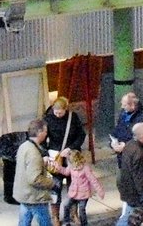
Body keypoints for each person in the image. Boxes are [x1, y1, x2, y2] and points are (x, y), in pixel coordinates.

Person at [44, 96, 86, 225]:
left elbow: (81, 135)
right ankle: (55, 216)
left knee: (74, 186)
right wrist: (46, 154)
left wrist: (70, 148)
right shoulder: (47, 119)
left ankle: (73, 214)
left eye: (60, 113)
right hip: (56, 157)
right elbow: (43, 139)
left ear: (65, 109)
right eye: (56, 112)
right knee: (55, 187)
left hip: (71, 156)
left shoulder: (73, 118)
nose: (58, 115)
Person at [15, 119, 56, 226]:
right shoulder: (34, 153)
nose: (46, 134)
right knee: (45, 223)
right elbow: (35, 179)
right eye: (45, 131)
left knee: (24, 222)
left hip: (24, 194)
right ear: (39, 132)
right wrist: (51, 183)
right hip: (35, 196)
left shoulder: (24, 146)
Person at [115, 123, 143, 226]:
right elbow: (141, 181)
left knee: (127, 216)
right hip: (136, 197)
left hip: (128, 193)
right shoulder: (139, 154)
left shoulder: (129, 145)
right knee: (131, 219)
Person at [56, 149, 104, 226]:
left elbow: (93, 180)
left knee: (82, 209)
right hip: (73, 192)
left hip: (84, 193)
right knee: (66, 205)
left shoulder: (85, 168)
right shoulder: (71, 166)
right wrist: (58, 167)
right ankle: (66, 222)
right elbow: (66, 172)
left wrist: (100, 191)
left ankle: (84, 224)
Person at [109, 92, 143, 156]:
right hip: (123, 154)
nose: (122, 107)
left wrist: (126, 146)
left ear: (132, 105)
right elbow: (118, 129)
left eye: (125, 105)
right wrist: (112, 142)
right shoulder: (124, 113)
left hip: (137, 156)